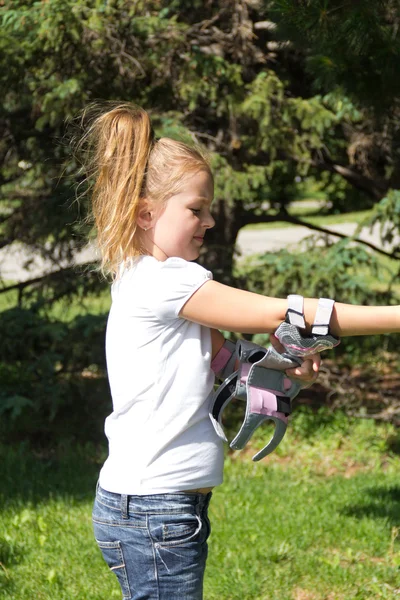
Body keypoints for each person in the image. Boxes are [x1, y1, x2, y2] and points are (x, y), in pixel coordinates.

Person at [79, 102, 399, 600]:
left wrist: (289, 367)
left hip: (153, 507)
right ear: (146, 213)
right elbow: (286, 313)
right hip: (155, 510)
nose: (209, 220)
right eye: (195, 209)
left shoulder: (143, 274)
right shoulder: (168, 281)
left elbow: (227, 361)